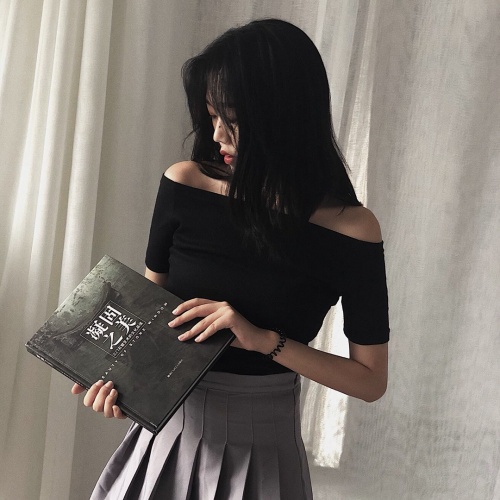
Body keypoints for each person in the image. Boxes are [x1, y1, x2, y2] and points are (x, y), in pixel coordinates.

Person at [72, 18, 389, 500]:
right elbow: (148, 319)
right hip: (165, 438)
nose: (217, 134)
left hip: (265, 451)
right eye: (211, 115)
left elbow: (370, 381)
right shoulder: (184, 184)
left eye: (233, 120)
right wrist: (121, 386)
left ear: (283, 117)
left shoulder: (351, 230)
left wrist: (263, 340)